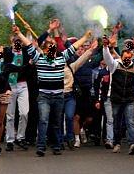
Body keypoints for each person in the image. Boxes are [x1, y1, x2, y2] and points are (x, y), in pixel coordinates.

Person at [14, 24, 91, 156]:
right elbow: (29, 45)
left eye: (53, 47)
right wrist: (19, 34)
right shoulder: (39, 59)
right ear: (44, 49)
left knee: (56, 122)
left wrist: (85, 37)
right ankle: (41, 147)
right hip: (43, 96)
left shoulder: (61, 58)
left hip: (58, 96)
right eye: (49, 46)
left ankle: (56, 146)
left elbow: (74, 47)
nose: (52, 49)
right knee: (43, 120)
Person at [102, 35, 134, 155]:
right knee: (117, 122)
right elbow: (107, 58)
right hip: (116, 99)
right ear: (121, 57)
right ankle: (117, 143)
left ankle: (132, 143)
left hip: (129, 99)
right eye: (125, 58)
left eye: (129, 57)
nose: (127, 59)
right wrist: (106, 46)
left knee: (130, 121)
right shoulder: (114, 66)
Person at [63, 39, 98, 149]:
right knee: (75, 117)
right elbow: (68, 47)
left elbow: (100, 54)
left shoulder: (90, 61)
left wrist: (101, 45)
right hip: (76, 93)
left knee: (89, 119)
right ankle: (76, 138)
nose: (80, 50)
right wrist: (65, 40)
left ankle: (82, 129)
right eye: (78, 48)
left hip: (88, 93)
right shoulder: (72, 61)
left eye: (82, 48)